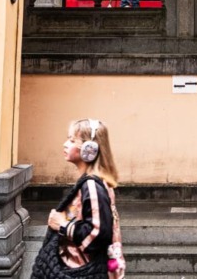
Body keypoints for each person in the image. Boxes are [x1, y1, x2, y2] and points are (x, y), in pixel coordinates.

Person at [45, 119, 124, 278]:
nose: (65, 144)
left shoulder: (92, 186)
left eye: (72, 140)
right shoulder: (91, 183)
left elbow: (98, 234)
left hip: (81, 271)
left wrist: (62, 224)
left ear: (90, 149)